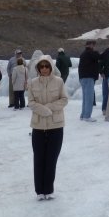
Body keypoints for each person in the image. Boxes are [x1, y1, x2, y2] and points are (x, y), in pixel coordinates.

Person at [27, 55, 68, 200]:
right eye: (41, 66)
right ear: (38, 68)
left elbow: (64, 99)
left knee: (51, 160)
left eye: (46, 66)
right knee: (39, 159)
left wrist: (49, 108)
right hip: (38, 126)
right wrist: (43, 110)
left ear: (51, 67)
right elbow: (30, 102)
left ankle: (48, 190)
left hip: (56, 126)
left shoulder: (59, 81)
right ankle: (39, 191)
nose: (44, 69)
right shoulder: (32, 83)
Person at [78, 40, 100, 122]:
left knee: (85, 98)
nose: (94, 47)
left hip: (83, 77)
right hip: (88, 77)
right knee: (89, 98)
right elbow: (98, 56)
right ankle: (87, 116)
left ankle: (83, 115)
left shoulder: (83, 53)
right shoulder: (90, 53)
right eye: (93, 45)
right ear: (90, 45)